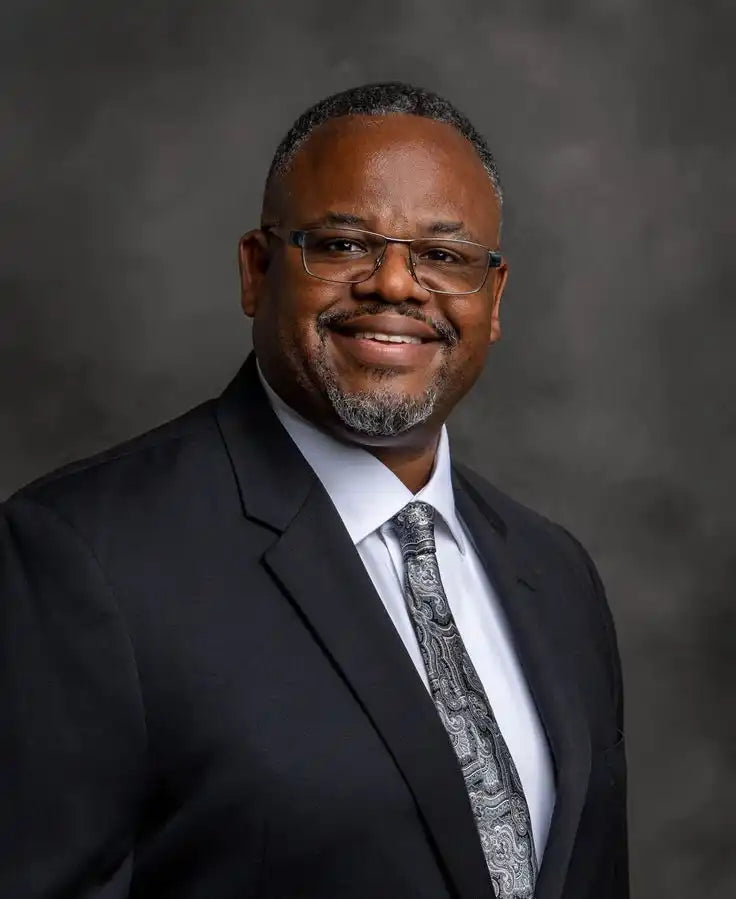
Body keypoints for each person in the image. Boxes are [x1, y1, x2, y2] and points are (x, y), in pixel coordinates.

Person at [0, 82, 628, 899]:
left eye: (442, 256)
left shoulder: (558, 576)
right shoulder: (81, 559)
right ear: (257, 272)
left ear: (494, 298)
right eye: (342, 245)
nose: (397, 285)